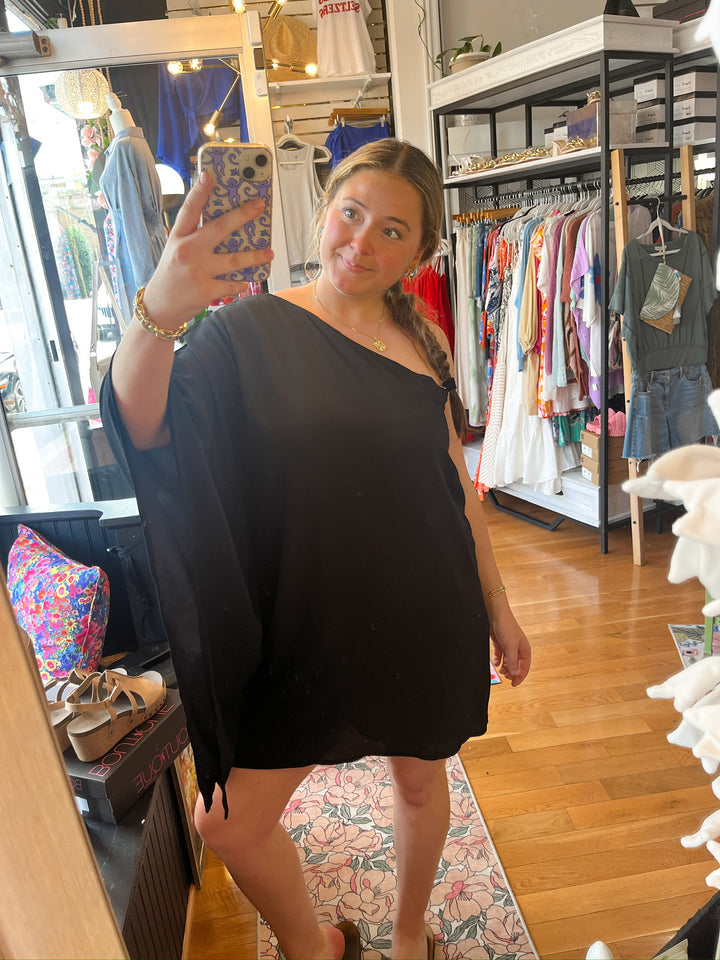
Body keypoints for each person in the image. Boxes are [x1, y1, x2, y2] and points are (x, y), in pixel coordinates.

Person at [102, 138, 531, 960]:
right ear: (325, 209)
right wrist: (161, 307)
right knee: (225, 823)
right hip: (304, 625)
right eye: (351, 212)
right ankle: (317, 946)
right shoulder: (248, 331)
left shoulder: (424, 344)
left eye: (392, 231)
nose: (361, 242)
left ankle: (409, 933)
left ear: (420, 253)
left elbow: (456, 492)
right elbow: (144, 426)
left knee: (419, 781)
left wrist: (500, 607)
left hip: (422, 614)